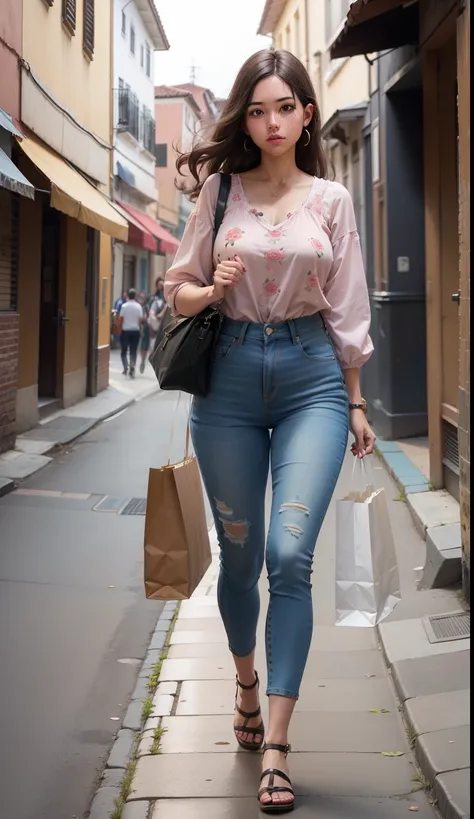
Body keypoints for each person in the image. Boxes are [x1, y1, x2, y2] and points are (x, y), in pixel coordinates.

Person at [164, 49, 376, 814]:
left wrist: (355, 401)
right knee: (240, 554)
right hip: (226, 384)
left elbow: (348, 308)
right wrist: (209, 287)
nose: (271, 122)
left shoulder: (332, 200)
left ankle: (277, 746)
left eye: (284, 107)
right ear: (244, 118)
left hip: (312, 377)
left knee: (290, 555)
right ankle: (245, 680)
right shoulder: (219, 192)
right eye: (257, 109)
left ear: (308, 113)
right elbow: (177, 292)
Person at [119, 288, 143, 378]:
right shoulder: (139, 306)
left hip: (125, 331)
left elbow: (121, 319)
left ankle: (125, 367)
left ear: (128, 295)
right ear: (135, 296)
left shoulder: (124, 306)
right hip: (135, 331)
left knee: (124, 350)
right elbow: (140, 320)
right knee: (133, 351)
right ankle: (132, 367)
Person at [138, 291, 151, 374]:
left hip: (145, 327)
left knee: (145, 346)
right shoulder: (137, 306)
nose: (141, 299)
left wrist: (143, 319)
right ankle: (142, 360)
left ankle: (143, 361)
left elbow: (147, 316)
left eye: (143, 298)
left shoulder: (146, 307)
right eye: (140, 297)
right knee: (139, 347)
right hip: (137, 327)